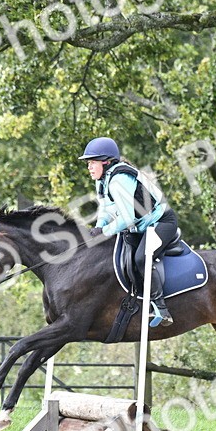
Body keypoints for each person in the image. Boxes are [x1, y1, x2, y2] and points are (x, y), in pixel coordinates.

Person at [79, 137, 179, 327]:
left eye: (92, 162)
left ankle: (161, 308)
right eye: (88, 163)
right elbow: (106, 209)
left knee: (142, 257)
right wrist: (98, 228)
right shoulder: (103, 180)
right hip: (141, 227)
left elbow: (127, 219)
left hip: (162, 223)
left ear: (106, 162)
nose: (89, 167)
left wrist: (106, 231)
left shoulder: (118, 181)